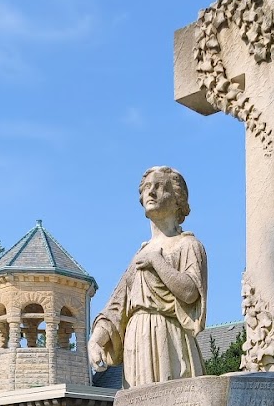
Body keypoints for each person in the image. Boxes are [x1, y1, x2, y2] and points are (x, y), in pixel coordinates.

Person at [88, 166, 207, 387]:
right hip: (137, 341)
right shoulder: (139, 256)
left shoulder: (188, 245)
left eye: (161, 187)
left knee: (174, 400)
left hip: (169, 336)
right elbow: (116, 307)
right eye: (147, 188)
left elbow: (190, 292)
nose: (151, 192)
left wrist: (157, 261)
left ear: (177, 200)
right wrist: (96, 340)